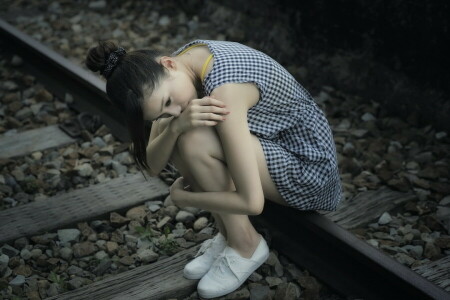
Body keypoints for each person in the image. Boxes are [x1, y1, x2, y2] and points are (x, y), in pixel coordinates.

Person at [85, 39, 343, 298]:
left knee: (194, 138)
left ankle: (246, 245)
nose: (174, 110)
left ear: (168, 63)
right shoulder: (179, 68)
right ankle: (230, 234)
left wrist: (185, 198)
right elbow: (153, 164)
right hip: (272, 148)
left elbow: (252, 203)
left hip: (309, 172)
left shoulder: (225, 89)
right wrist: (174, 127)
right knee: (182, 131)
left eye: (168, 102)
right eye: (161, 114)